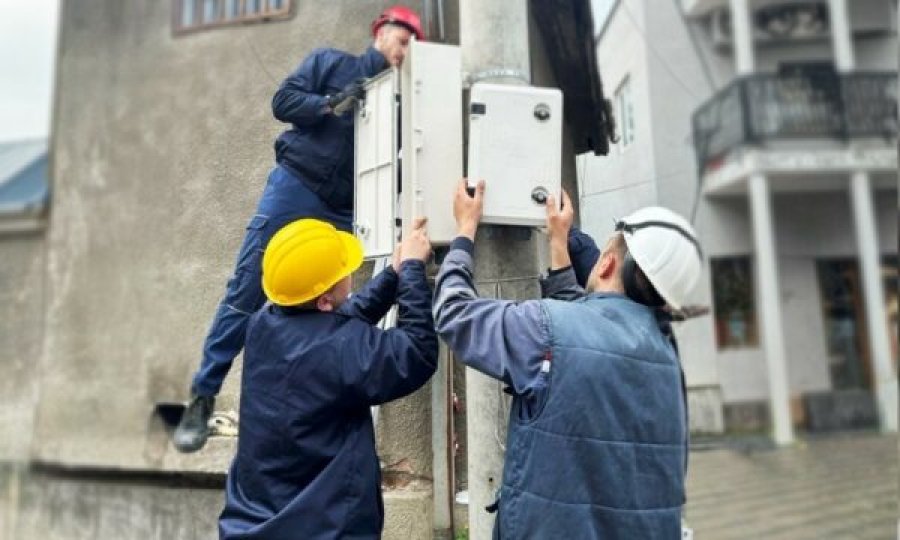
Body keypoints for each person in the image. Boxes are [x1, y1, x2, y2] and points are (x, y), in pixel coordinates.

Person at [174, 6, 425, 452]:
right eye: (403, 42)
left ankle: (319, 404)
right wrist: (329, 103)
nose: (407, 53)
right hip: (297, 187)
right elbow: (282, 102)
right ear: (382, 33)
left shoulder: (401, 101)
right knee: (246, 290)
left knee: (336, 300)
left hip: (348, 207)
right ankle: (202, 395)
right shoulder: (330, 63)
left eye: (413, 47)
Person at [433, 179, 703, 538]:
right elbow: (588, 326)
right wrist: (560, 241)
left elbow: (454, 314)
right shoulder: (668, 357)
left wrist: (464, 232)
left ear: (606, 263)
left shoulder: (543, 330)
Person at [218, 217, 438, 539]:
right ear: (323, 301)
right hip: (323, 528)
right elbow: (416, 351)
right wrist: (414, 272)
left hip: (256, 522)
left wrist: (393, 275)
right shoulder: (339, 349)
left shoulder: (263, 324)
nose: (349, 273)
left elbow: (336, 324)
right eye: (343, 273)